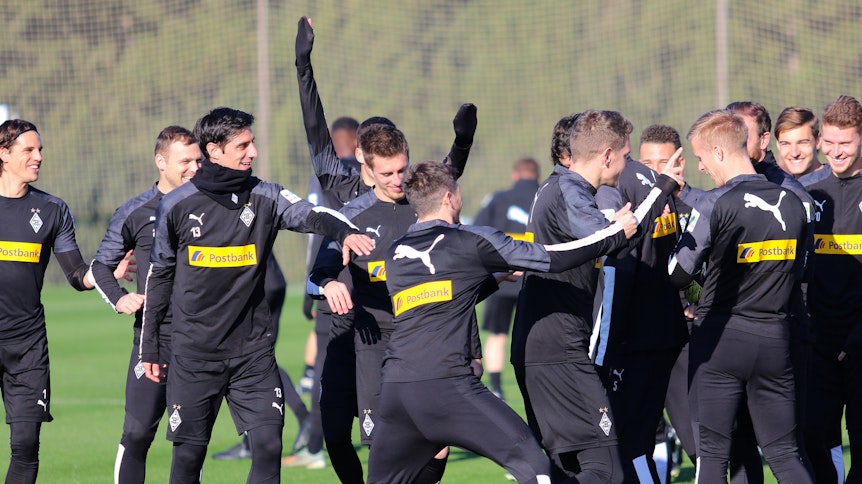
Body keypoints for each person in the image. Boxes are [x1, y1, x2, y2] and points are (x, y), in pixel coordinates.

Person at [366, 160, 651, 484]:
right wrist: (614, 234)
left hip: (395, 393)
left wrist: (492, 280)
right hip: (448, 388)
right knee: (538, 471)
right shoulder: (469, 240)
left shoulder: (395, 251)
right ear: (449, 197)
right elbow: (553, 257)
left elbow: (435, 303)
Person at [140, 107, 373, 483]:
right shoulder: (176, 204)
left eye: (252, 143)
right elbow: (159, 278)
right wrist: (149, 346)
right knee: (188, 457)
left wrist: (343, 232)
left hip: (253, 353)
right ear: (214, 150)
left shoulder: (265, 195)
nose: (253, 152)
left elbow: (312, 215)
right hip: (195, 355)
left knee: (268, 446)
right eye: (243, 145)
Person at [292, 15, 477, 479]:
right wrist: (302, 65)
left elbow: (448, 173)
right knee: (334, 434)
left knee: (413, 444)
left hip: (405, 336)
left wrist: (464, 138)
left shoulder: (417, 195)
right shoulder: (341, 192)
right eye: (388, 172)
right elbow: (315, 128)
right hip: (347, 331)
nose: (399, 181)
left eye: (403, 170)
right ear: (363, 160)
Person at [512, 110, 683, 483]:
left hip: (548, 347)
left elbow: (608, 240)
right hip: (557, 351)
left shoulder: (563, 189)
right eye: (625, 156)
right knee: (607, 467)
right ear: (607, 155)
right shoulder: (568, 190)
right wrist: (662, 187)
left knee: (571, 466)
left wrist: (616, 228)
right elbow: (611, 242)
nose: (627, 165)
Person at [669, 109, 811, 483]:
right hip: (776, 341)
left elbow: (678, 273)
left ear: (718, 152)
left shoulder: (712, 202)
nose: (700, 168)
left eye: (700, 158)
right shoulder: (793, 202)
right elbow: (803, 272)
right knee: (785, 455)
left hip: (722, 342)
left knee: (714, 458)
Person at [0, 119, 125, 483]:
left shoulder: (53, 210)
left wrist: (105, 273)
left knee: (25, 445)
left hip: (27, 346)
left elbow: (75, 275)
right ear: (4, 154)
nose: (38, 157)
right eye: (29, 150)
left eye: (40, 150)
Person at [89, 126, 201, 483]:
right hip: (153, 341)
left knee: (189, 443)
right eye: (185, 161)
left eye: (198, 160)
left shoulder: (210, 206)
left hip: (203, 343)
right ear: (161, 161)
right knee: (137, 434)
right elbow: (99, 265)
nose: (194, 168)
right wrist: (120, 298)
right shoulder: (135, 211)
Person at [593, 124, 689, 482]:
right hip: (668, 328)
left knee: (628, 442)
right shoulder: (659, 185)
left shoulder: (613, 187)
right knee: (649, 434)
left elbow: (616, 263)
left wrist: (603, 347)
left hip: (632, 337)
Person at [803, 94, 862, 483]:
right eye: (830, 142)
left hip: (860, 339)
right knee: (810, 439)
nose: (836, 151)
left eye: (847, 143)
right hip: (816, 340)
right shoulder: (805, 191)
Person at [472, 157, 540, 400]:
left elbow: (476, 232)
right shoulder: (544, 197)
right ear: (537, 175)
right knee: (536, 335)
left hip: (502, 281)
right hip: (535, 282)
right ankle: (536, 386)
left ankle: (497, 388)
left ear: (515, 175)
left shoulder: (497, 199)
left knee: (497, 335)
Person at [774, 106, 830, 186]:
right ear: (778, 146)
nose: (794, 153)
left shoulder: (838, 184)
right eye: (786, 144)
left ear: (818, 141)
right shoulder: (779, 189)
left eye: (802, 143)